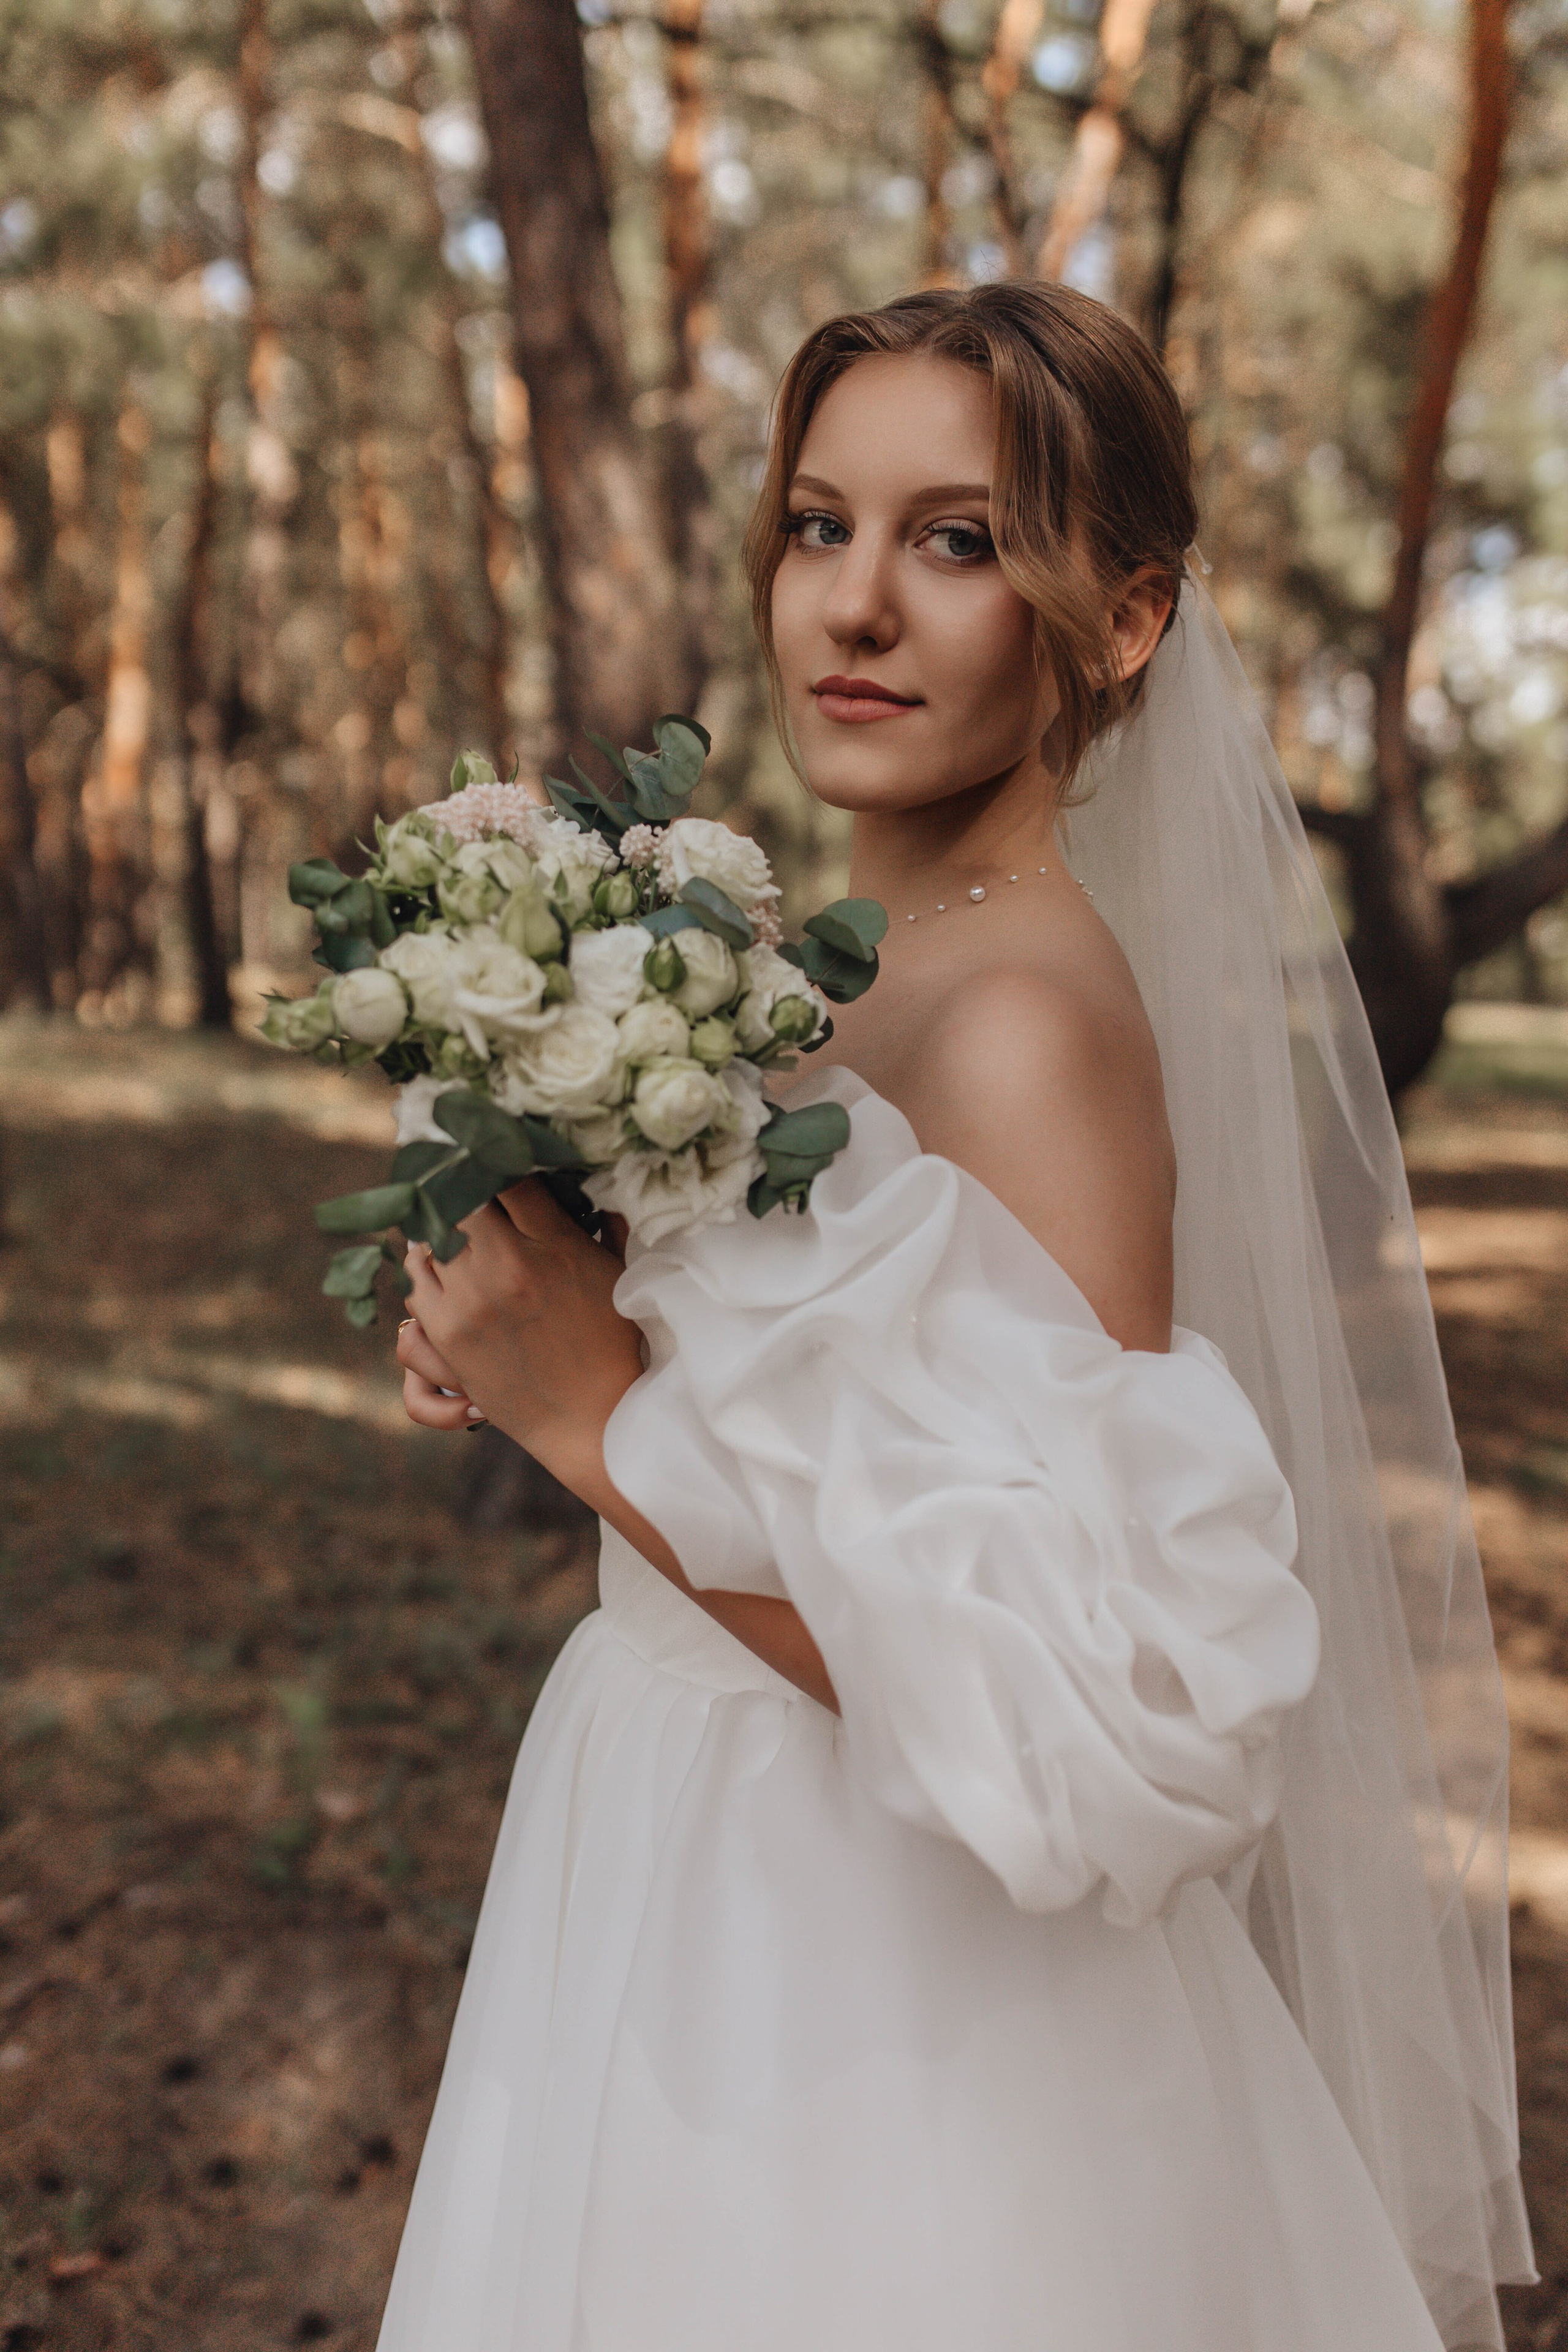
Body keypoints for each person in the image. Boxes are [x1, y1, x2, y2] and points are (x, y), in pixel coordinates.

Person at [378, 284, 1531, 2351]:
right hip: (663, 1827)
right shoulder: (810, 974)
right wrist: (523, 1302)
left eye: (961, 540)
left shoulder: (1021, 1023)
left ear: (1133, 615)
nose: (856, 608)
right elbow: (837, 1432)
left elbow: (1100, 1693)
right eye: (821, 526)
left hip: (874, 1961)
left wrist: (594, 1427)